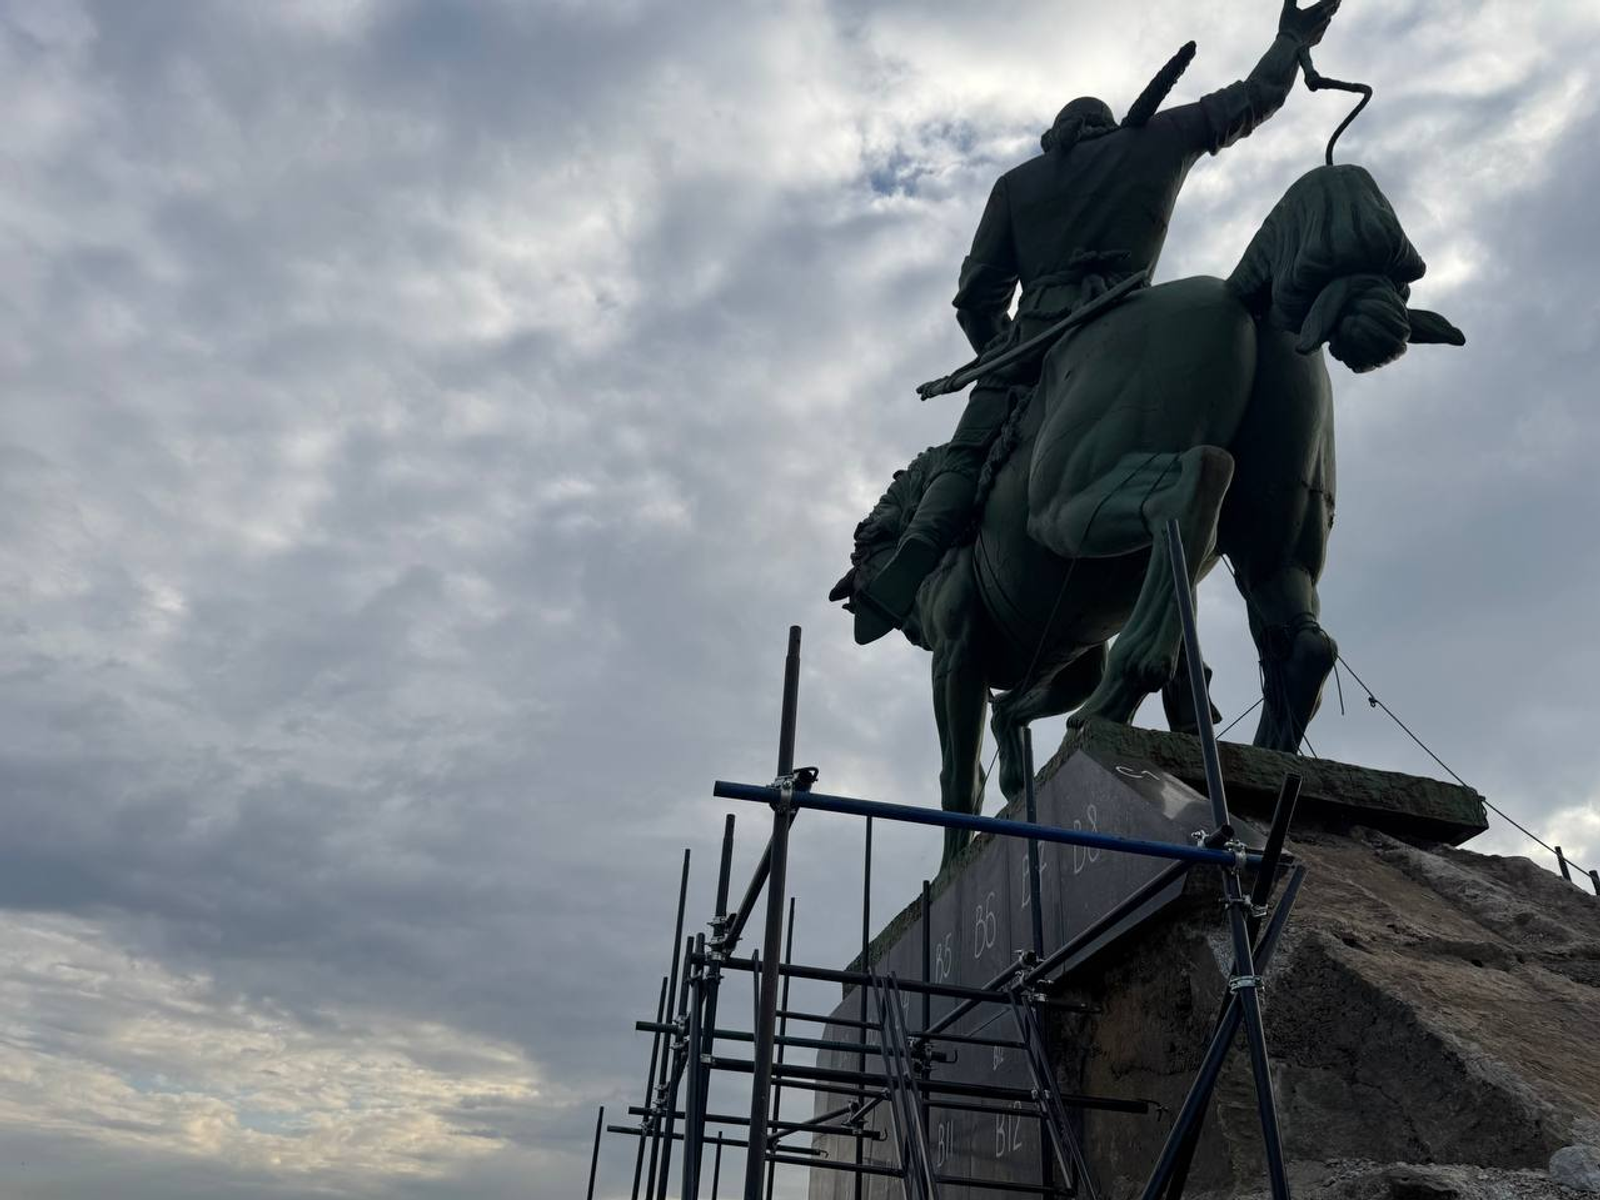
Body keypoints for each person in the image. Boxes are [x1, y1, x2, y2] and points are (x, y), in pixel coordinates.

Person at [853, 0, 1342, 646]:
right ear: (1105, 124)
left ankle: (918, 548)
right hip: (1126, 312)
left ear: (1055, 136)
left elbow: (975, 298)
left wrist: (1002, 354)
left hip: (1032, 344)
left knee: (968, 453)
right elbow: (1247, 101)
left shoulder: (1018, 184)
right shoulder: (1152, 141)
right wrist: (1288, 43)